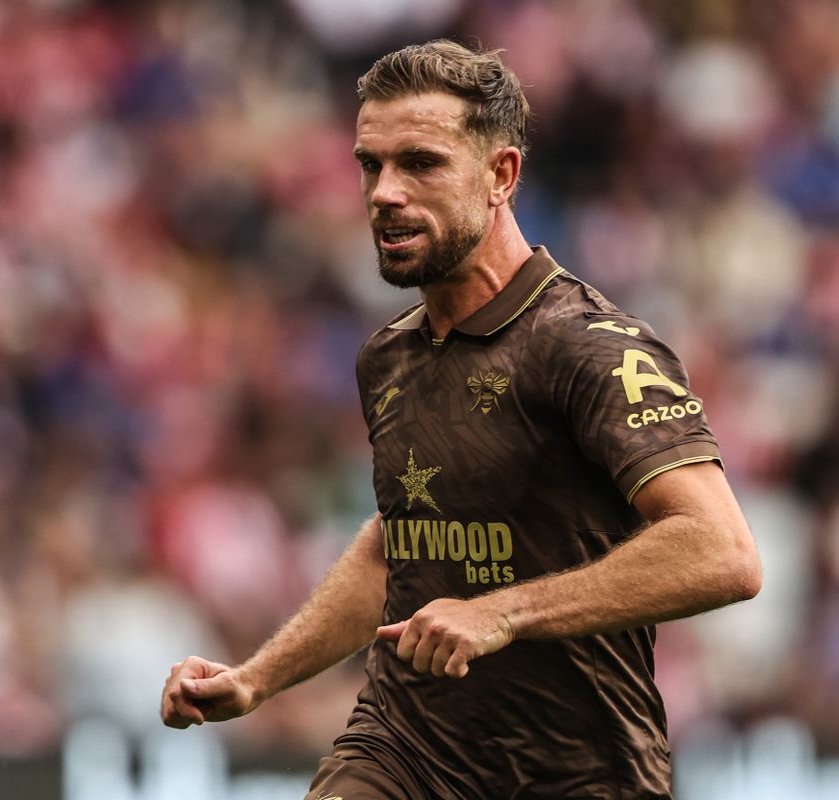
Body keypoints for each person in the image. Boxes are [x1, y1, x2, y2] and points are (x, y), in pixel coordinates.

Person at [161, 40, 761, 799]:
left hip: (575, 772)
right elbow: (394, 549)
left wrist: (504, 612)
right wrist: (256, 679)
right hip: (407, 751)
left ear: (500, 176)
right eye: (370, 165)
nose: (384, 192)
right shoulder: (389, 358)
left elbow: (723, 551)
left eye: (420, 163)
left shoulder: (587, 347)